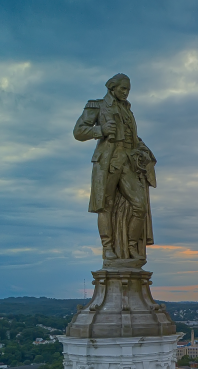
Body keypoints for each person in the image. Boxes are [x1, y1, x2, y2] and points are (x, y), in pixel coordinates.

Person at [74, 74, 156, 260]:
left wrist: (143, 150)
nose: (126, 93)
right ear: (112, 88)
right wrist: (100, 130)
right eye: (122, 89)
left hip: (127, 163)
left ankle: (131, 246)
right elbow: (78, 131)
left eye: (128, 90)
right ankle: (107, 247)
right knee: (105, 206)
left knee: (140, 205)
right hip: (107, 163)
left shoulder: (128, 111)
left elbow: (134, 138)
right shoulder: (97, 105)